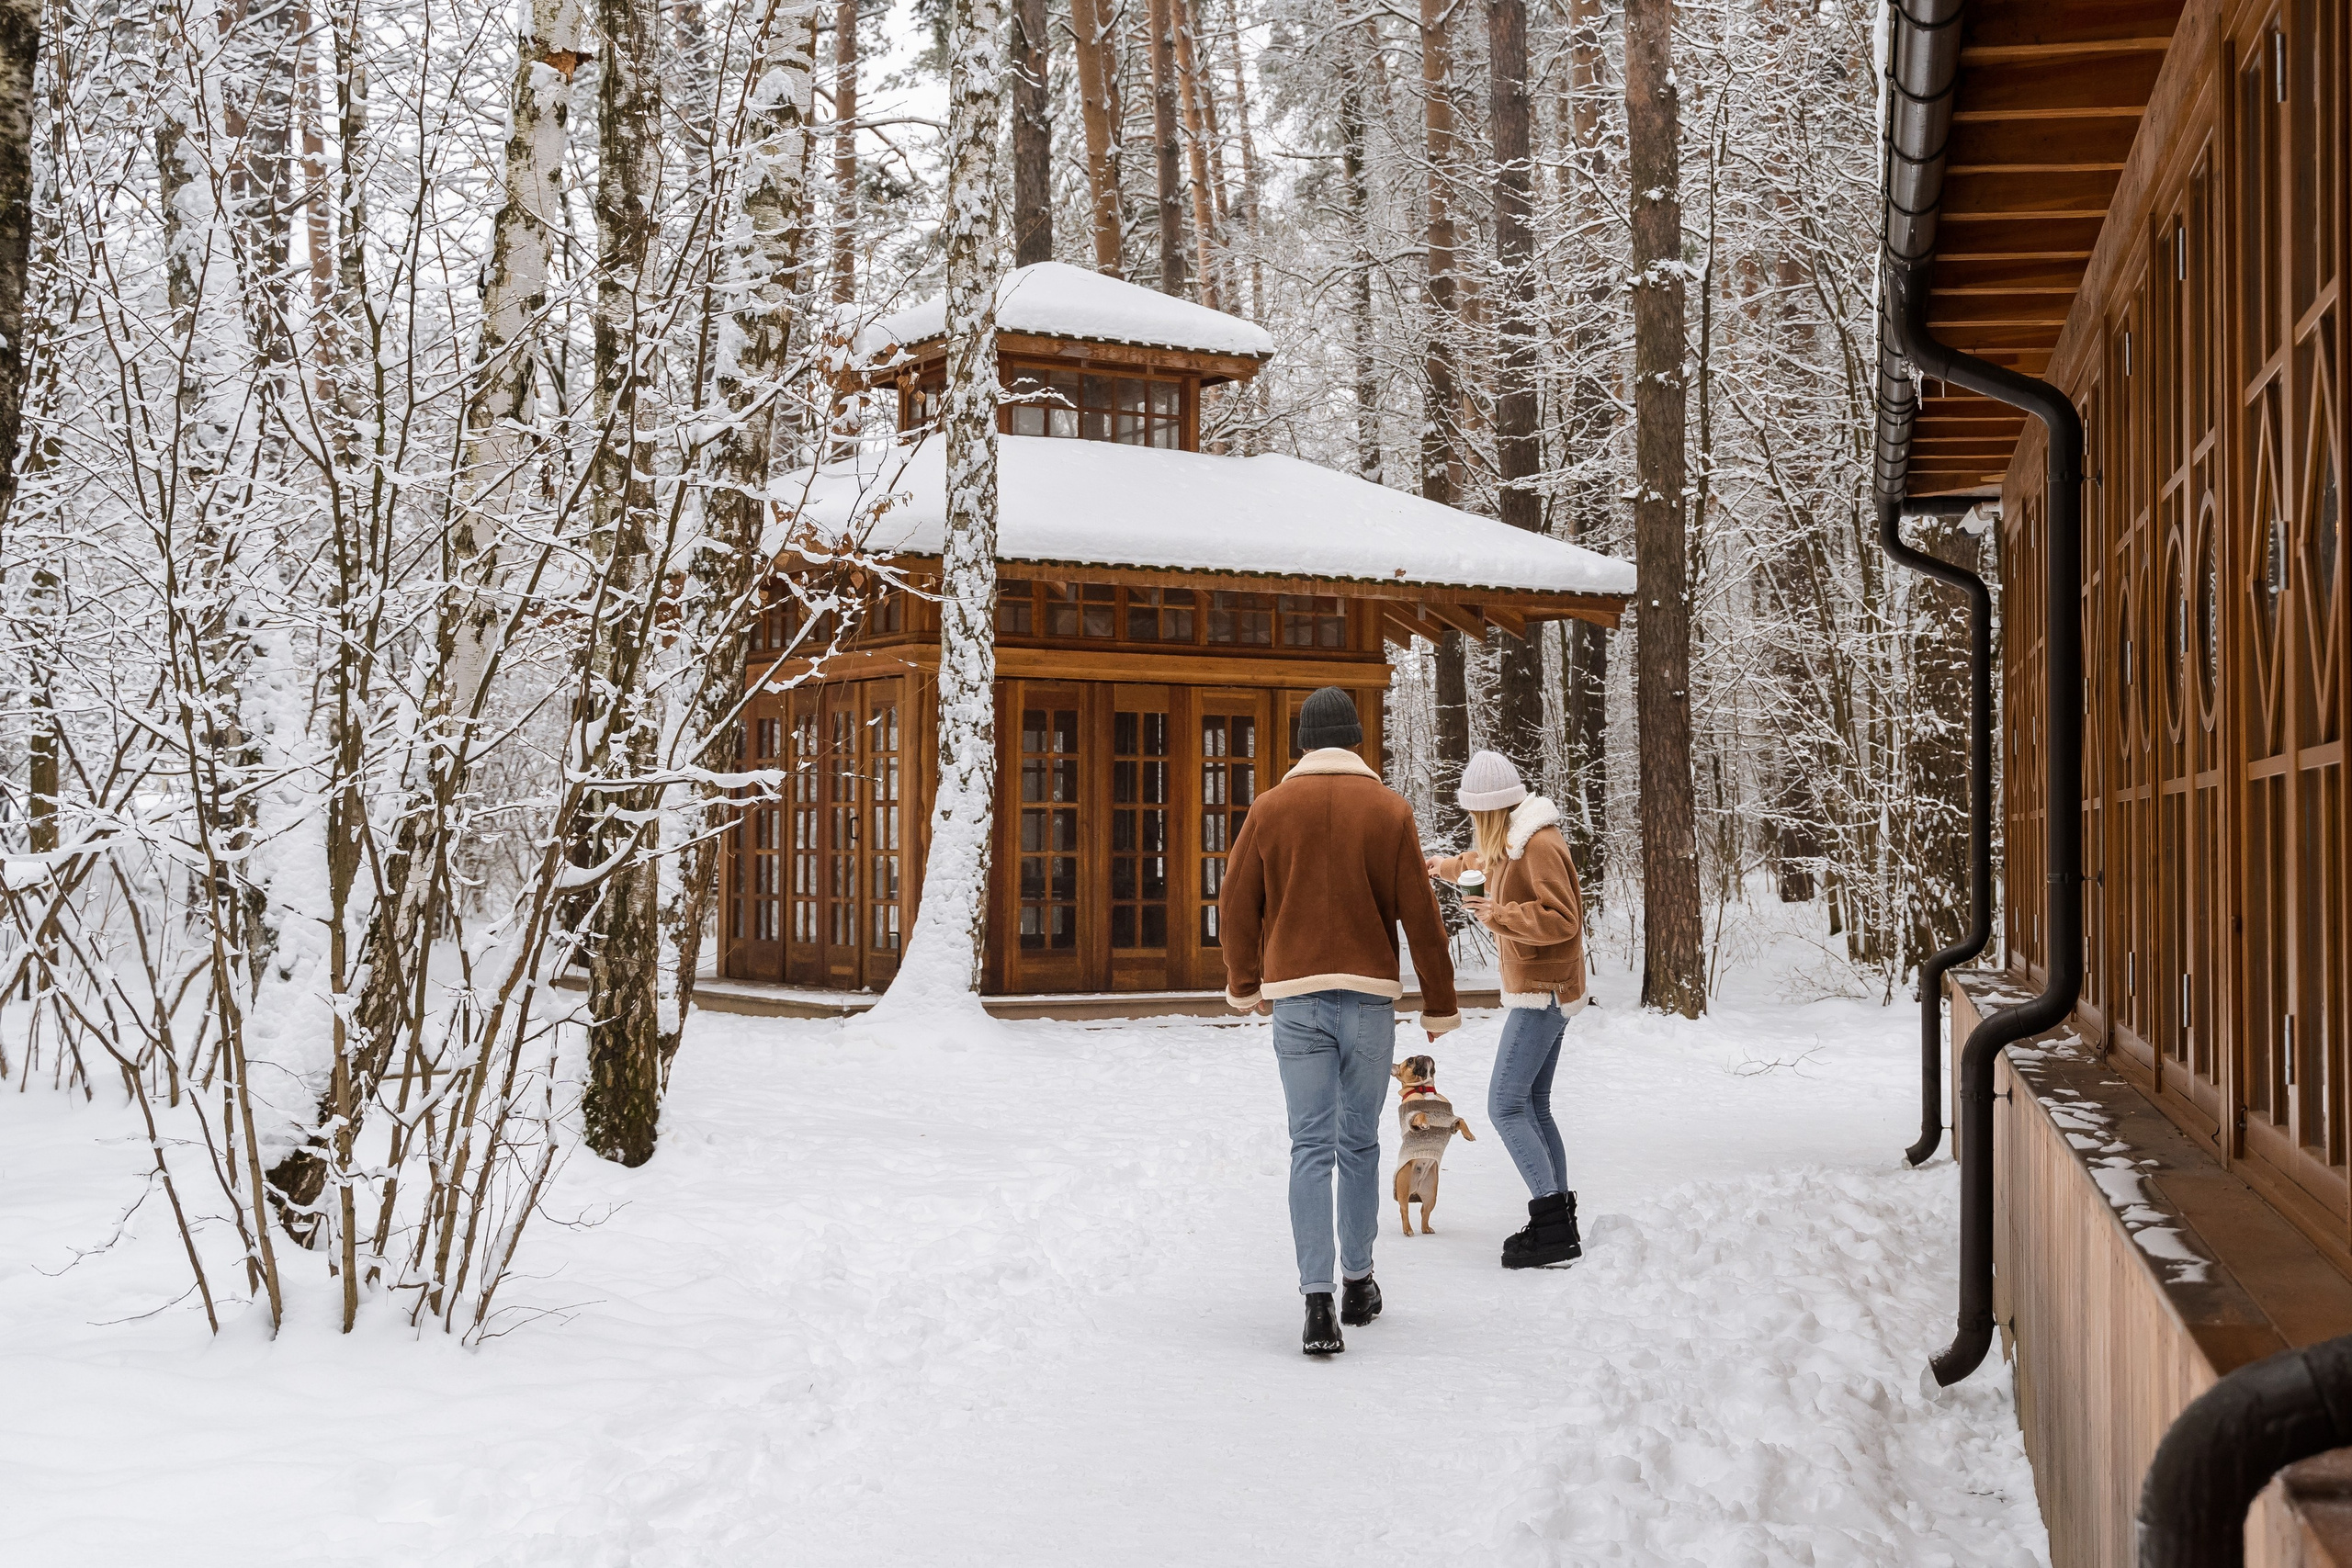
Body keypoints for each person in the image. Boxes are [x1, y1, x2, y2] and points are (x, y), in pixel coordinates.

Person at [1219, 686, 1461, 1356]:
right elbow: (1422, 913)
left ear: (1302, 742)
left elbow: (1235, 901)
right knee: (1358, 1143)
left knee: (1309, 1146)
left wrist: (1246, 984)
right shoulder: (1388, 809)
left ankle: (1317, 1303)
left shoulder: (1269, 809)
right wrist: (1438, 1001)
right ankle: (1359, 1281)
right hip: (1367, 1000)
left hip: (1296, 999)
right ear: (1355, 739)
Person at [1427, 750, 1587, 1269]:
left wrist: (1499, 914)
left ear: (1492, 810)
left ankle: (1552, 1230)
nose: (1473, 825)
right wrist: (1443, 868)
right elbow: (1481, 863)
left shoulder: (1538, 844)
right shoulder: (1511, 841)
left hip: (1542, 990)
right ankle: (1560, 1222)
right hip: (1544, 987)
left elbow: (1563, 918)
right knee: (1534, 1105)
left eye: (1476, 814)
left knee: (1504, 1105)